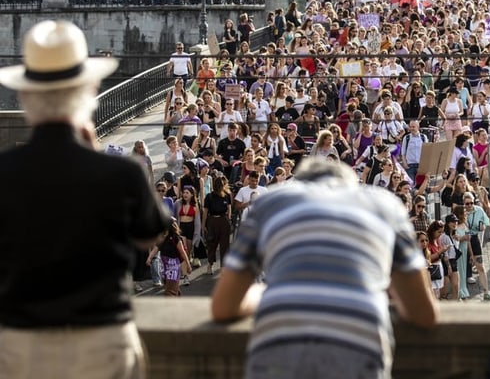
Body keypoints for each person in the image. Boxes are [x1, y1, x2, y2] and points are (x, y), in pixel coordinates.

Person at [0, 20, 171, 378]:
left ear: (26, 96)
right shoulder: (123, 174)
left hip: (20, 340)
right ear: (90, 90)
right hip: (102, 337)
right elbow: (150, 233)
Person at [211, 158, 437, 379]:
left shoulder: (271, 201)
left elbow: (223, 306)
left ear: (299, 185)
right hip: (359, 350)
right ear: (351, 187)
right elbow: (423, 313)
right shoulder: (386, 205)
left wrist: (264, 293)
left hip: (277, 351)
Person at [146, 220, 191, 296]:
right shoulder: (162, 238)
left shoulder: (176, 238)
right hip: (164, 268)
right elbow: (156, 248)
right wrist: (149, 258)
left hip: (173, 268)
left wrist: (188, 265)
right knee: (171, 288)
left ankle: (171, 305)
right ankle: (178, 303)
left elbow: (183, 253)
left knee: (169, 292)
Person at [202, 175, 233, 273]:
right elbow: (205, 211)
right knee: (212, 243)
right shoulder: (209, 197)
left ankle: (224, 266)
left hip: (223, 219)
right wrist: (204, 225)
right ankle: (210, 264)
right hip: (212, 220)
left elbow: (229, 208)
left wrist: (228, 219)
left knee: (225, 244)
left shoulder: (226, 195)